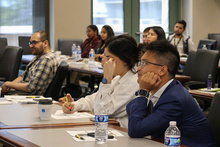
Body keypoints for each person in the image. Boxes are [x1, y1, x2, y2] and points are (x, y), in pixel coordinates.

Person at [126, 40, 216, 146]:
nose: (139, 68)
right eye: (140, 63)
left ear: (162, 70)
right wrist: (144, 92)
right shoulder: (164, 90)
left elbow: (135, 130)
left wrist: (142, 92)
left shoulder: (174, 99)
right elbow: (130, 110)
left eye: (144, 63)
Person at [60, 34, 140, 128]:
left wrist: (107, 79)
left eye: (108, 56)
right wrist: (74, 105)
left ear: (125, 60)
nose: (102, 57)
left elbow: (101, 112)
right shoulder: (119, 78)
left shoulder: (134, 82)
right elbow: (94, 100)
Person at [1, 31, 58, 95]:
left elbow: (31, 88)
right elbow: (23, 76)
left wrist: (8, 84)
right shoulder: (39, 56)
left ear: (45, 43)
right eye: (30, 43)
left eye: (34, 42)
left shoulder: (46, 60)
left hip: (29, 96)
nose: (31, 46)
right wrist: (9, 87)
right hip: (22, 90)